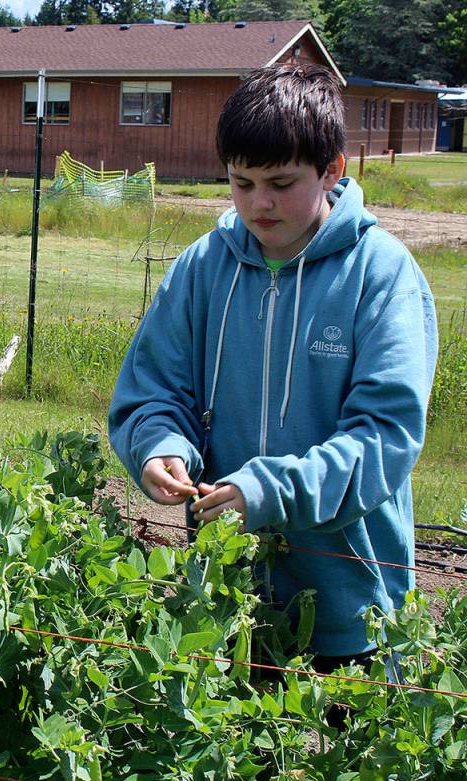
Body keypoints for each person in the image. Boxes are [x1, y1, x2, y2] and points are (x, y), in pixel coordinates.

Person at [107, 64, 438, 664]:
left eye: (281, 183)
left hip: (352, 607)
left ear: (333, 169)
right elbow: (154, 389)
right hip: (229, 598)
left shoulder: (381, 274)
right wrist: (158, 447)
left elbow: (386, 436)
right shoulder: (203, 268)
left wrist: (267, 489)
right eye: (241, 182)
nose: (258, 204)